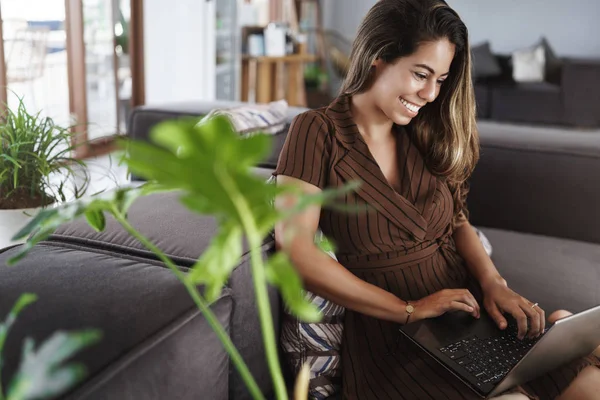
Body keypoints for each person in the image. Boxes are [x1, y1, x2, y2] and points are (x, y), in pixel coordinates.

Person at [272, 0, 600, 399]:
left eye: (441, 79)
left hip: (468, 316)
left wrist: (494, 283)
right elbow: (297, 251)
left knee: (586, 368)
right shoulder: (316, 131)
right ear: (378, 57)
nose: (430, 93)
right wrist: (407, 308)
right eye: (421, 74)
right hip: (395, 338)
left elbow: (457, 221)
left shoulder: (425, 130)